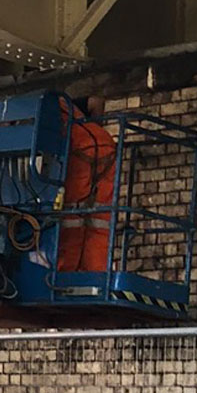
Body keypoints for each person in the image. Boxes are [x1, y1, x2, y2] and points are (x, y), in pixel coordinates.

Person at [56, 95, 118, 275]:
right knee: (100, 215)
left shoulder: (37, 109)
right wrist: (94, 131)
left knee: (71, 213)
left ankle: (65, 272)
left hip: (78, 149)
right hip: (104, 143)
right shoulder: (65, 102)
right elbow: (96, 101)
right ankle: (96, 272)